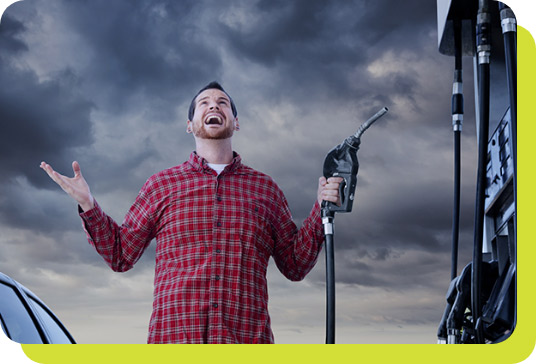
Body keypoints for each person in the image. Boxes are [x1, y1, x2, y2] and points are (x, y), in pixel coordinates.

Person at [40, 81, 343, 344]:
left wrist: (321, 208)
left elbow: (295, 266)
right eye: (205, 103)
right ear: (190, 124)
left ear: (235, 122)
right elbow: (121, 255)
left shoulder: (265, 189)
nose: (214, 106)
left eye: (222, 102)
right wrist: (88, 205)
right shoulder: (161, 185)